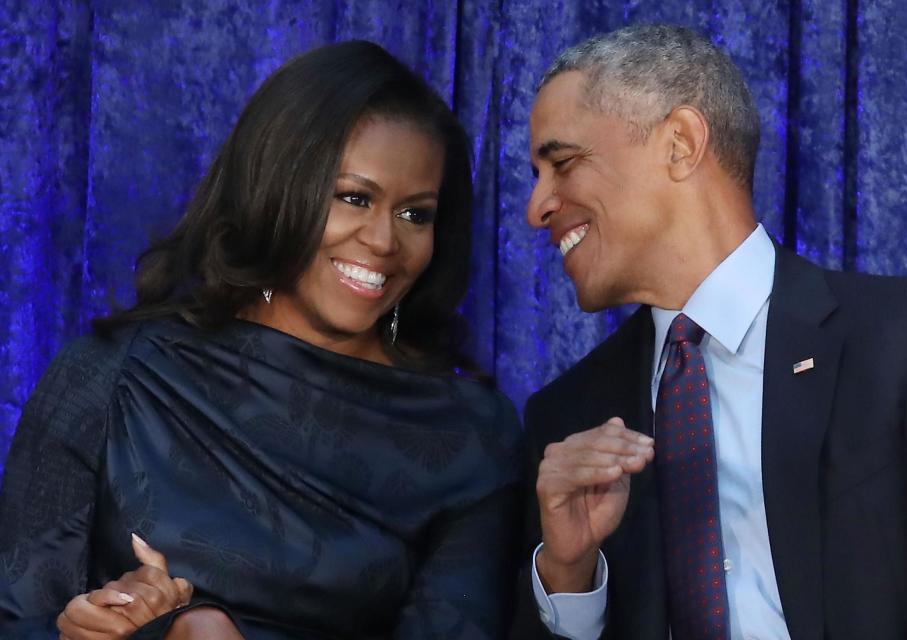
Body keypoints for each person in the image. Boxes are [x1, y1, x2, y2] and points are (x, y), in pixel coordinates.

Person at [0, 40, 523, 640]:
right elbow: (16, 618)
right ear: (275, 189)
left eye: (416, 214)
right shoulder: (113, 374)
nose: (384, 240)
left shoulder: (469, 436)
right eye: (354, 198)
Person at [511, 23, 907, 640]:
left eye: (562, 163)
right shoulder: (565, 419)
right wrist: (569, 573)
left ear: (680, 144)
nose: (537, 207)